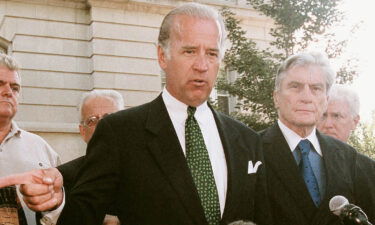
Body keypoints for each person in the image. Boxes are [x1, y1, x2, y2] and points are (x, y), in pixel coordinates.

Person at [17, 3, 270, 225]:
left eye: (212, 53)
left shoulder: (247, 140)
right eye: (190, 51)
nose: (202, 65)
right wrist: (55, 203)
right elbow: (82, 216)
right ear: (162, 56)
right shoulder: (121, 133)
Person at [261, 52, 375, 225]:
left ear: (326, 99)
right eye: (295, 86)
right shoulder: (251, 150)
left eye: (316, 88)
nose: (306, 97)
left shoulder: (347, 155)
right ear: (276, 97)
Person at [0, 53, 60, 225]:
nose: (8, 92)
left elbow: (63, 205)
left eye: (15, 87)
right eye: (0, 84)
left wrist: (55, 202)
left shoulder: (41, 147)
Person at [50, 90, 124, 225]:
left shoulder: (150, 169)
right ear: (83, 131)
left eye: (110, 118)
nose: (103, 126)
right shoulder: (63, 180)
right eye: (93, 120)